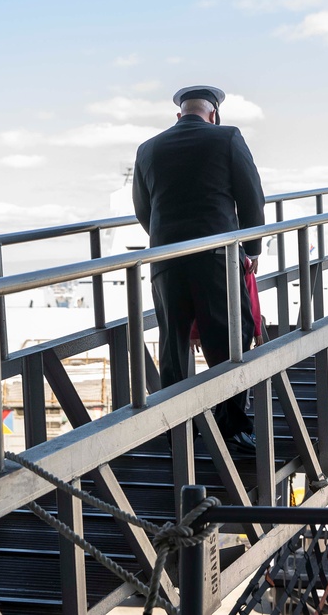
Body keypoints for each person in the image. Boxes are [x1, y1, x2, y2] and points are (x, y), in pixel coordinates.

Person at [132, 85, 265, 455]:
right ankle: (233, 428)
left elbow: (143, 209)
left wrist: (168, 240)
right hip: (216, 258)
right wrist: (251, 249)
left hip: (166, 258)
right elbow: (251, 197)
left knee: (173, 344)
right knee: (229, 338)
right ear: (214, 114)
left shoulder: (148, 148)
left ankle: (177, 429)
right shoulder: (227, 137)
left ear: (179, 115)